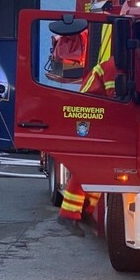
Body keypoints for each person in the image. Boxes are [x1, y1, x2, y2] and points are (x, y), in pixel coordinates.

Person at [56, 57, 114, 237]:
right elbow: (114, 97)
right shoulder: (113, 67)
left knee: (101, 171)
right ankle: (68, 215)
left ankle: (84, 212)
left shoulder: (122, 64)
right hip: (90, 118)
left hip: (98, 119)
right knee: (87, 169)